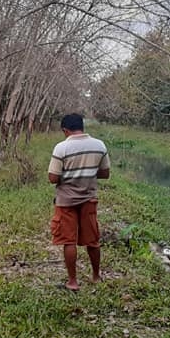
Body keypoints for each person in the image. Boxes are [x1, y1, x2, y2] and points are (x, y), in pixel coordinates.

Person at [47, 113, 110, 291]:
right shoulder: (99, 145)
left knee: (69, 241)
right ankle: (96, 276)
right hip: (89, 199)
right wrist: (87, 173)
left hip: (66, 201)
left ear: (65, 130)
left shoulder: (61, 148)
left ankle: (73, 282)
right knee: (93, 240)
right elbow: (105, 173)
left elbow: (53, 178)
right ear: (82, 127)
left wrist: (68, 175)